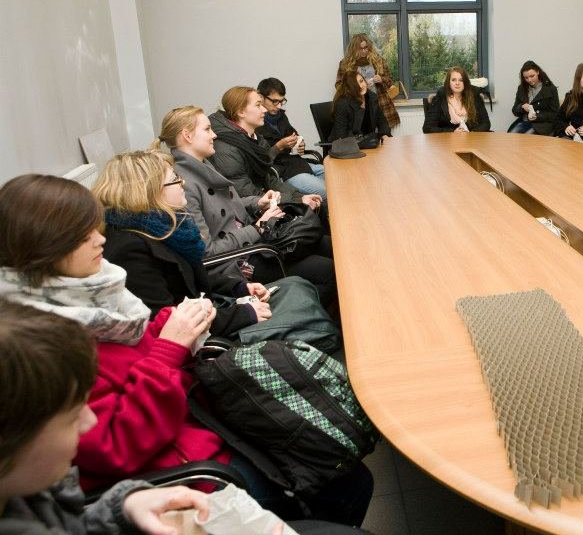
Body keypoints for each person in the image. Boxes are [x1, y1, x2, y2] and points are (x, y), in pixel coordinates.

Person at [0, 175, 372, 527]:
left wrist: (173, 323)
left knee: (343, 470)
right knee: (344, 481)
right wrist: (170, 345)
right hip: (182, 466)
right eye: (83, 236)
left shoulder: (94, 292)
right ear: (45, 246)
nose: (99, 240)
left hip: (195, 420)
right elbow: (116, 443)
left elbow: (138, 351)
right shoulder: (40, 340)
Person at [0, 298, 213, 534]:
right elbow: (118, 441)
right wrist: (169, 347)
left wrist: (123, 507)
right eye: (72, 417)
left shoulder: (29, 492)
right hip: (190, 464)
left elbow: (76, 524)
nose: (90, 421)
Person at [155, 106, 338, 310]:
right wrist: (257, 228)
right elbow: (207, 252)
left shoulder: (202, 164)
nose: (214, 135)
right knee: (328, 272)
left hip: (251, 245)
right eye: (207, 129)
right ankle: (311, 321)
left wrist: (257, 203)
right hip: (237, 263)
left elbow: (222, 205)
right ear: (187, 135)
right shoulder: (183, 185)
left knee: (329, 244)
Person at [93, 150, 274, 338]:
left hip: (210, 317)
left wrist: (237, 287)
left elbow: (189, 275)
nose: (183, 183)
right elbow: (168, 323)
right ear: (149, 191)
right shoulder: (130, 250)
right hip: (204, 339)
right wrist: (243, 314)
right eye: (174, 179)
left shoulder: (163, 228)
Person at [208, 86, 324, 209]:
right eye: (258, 105)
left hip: (267, 199)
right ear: (241, 112)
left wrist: (299, 197)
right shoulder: (227, 149)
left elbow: (268, 179)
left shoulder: (255, 138)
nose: (264, 110)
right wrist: (298, 200)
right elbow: (250, 196)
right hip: (252, 211)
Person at [257, 77, 327, 199]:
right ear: (261, 97)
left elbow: (294, 135)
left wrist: (300, 144)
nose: (279, 106)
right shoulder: (255, 123)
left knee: (339, 178)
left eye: (282, 101)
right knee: (330, 191)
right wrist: (279, 146)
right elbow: (261, 160)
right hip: (284, 172)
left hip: (299, 164)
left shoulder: (281, 116)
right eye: (274, 101)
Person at [336, 33, 400, 130]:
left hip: (379, 103)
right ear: (354, 49)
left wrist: (381, 79)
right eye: (360, 48)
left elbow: (390, 80)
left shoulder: (378, 60)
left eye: (366, 47)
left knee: (384, 133)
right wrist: (355, 86)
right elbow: (339, 85)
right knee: (361, 133)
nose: (364, 51)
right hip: (357, 106)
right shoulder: (345, 64)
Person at [423, 67, 491, 133]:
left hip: (471, 137)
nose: (457, 83)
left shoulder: (474, 95)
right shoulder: (441, 96)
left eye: (461, 80)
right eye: (453, 80)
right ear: (448, 82)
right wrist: (453, 132)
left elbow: (486, 124)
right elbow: (428, 127)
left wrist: (471, 133)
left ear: (465, 82)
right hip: (448, 139)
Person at [331, 70, 392, 143]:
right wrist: (362, 142)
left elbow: (382, 120)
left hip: (368, 142)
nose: (361, 86)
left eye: (361, 81)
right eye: (355, 85)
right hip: (349, 144)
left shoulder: (372, 97)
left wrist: (384, 135)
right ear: (349, 89)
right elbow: (341, 135)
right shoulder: (342, 104)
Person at [507, 61, 560, 135]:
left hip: (542, 125)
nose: (529, 80)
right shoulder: (521, 88)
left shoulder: (550, 89)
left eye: (532, 76)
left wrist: (537, 116)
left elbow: (555, 114)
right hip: (524, 122)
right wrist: (522, 107)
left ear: (538, 72)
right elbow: (514, 110)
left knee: (526, 138)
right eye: (526, 78)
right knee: (510, 136)